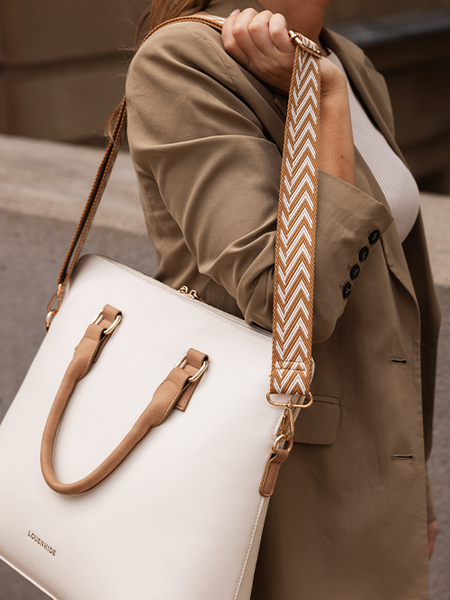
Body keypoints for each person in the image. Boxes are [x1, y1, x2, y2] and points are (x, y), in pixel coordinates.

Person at [125, 0, 441, 597]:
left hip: (374, 469)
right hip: (273, 480)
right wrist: (320, 104)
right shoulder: (184, 60)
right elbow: (286, 300)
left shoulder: (350, 62)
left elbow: (389, 297)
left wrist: (410, 484)